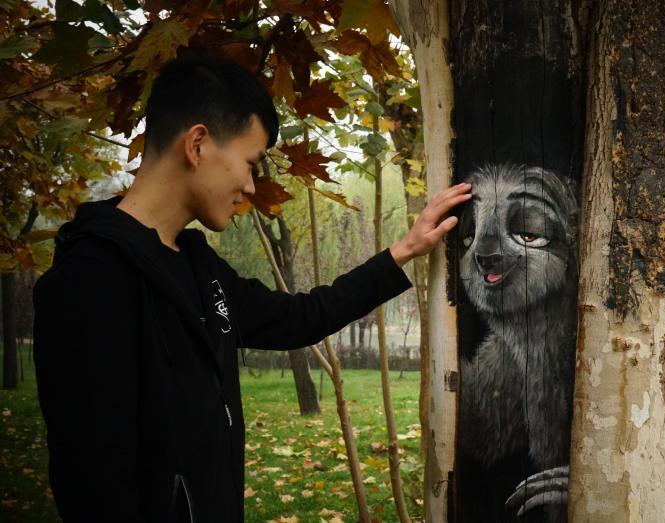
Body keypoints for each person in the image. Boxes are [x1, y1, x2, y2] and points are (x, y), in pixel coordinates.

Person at [32, 55, 472, 522]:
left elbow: (299, 317)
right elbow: (92, 483)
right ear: (198, 144)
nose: (250, 185)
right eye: (250, 163)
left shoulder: (201, 267)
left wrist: (403, 250)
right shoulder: (89, 279)